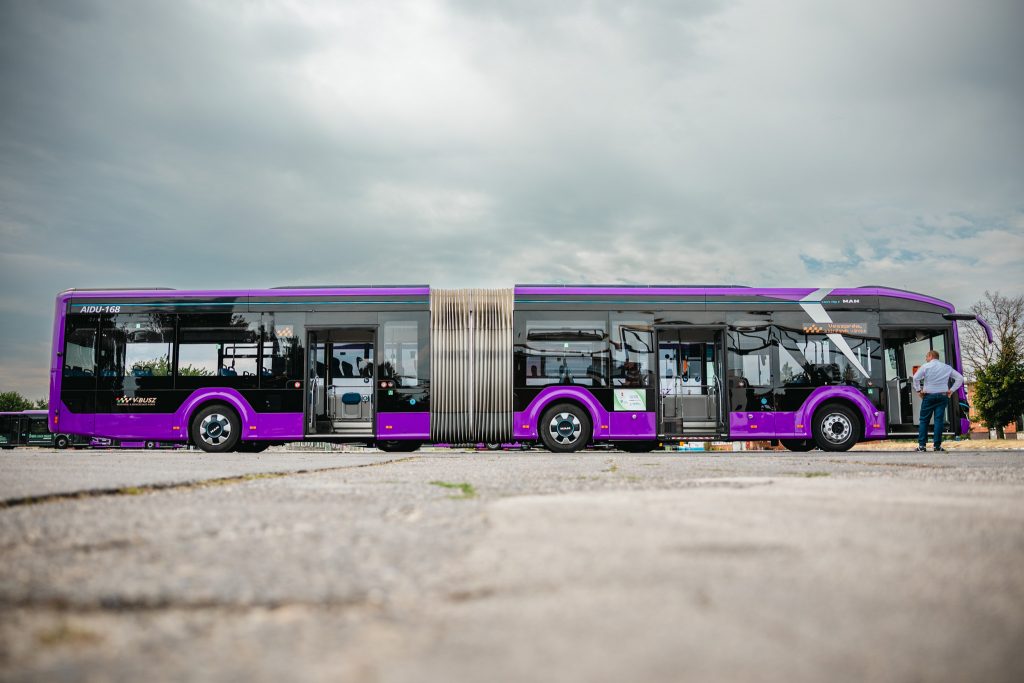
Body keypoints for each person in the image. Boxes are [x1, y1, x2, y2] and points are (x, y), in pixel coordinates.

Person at [912, 350, 964, 452]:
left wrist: (918, 390)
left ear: (931, 356)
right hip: (942, 396)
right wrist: (951, 390)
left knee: (924, 420)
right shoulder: (946, 367)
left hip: (929, 396)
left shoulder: (926, 366)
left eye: (926, 357)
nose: (926, 359)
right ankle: (937, 446)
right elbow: (960, 378)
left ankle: (922, 446)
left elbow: (915, 378)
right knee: (938, 421)